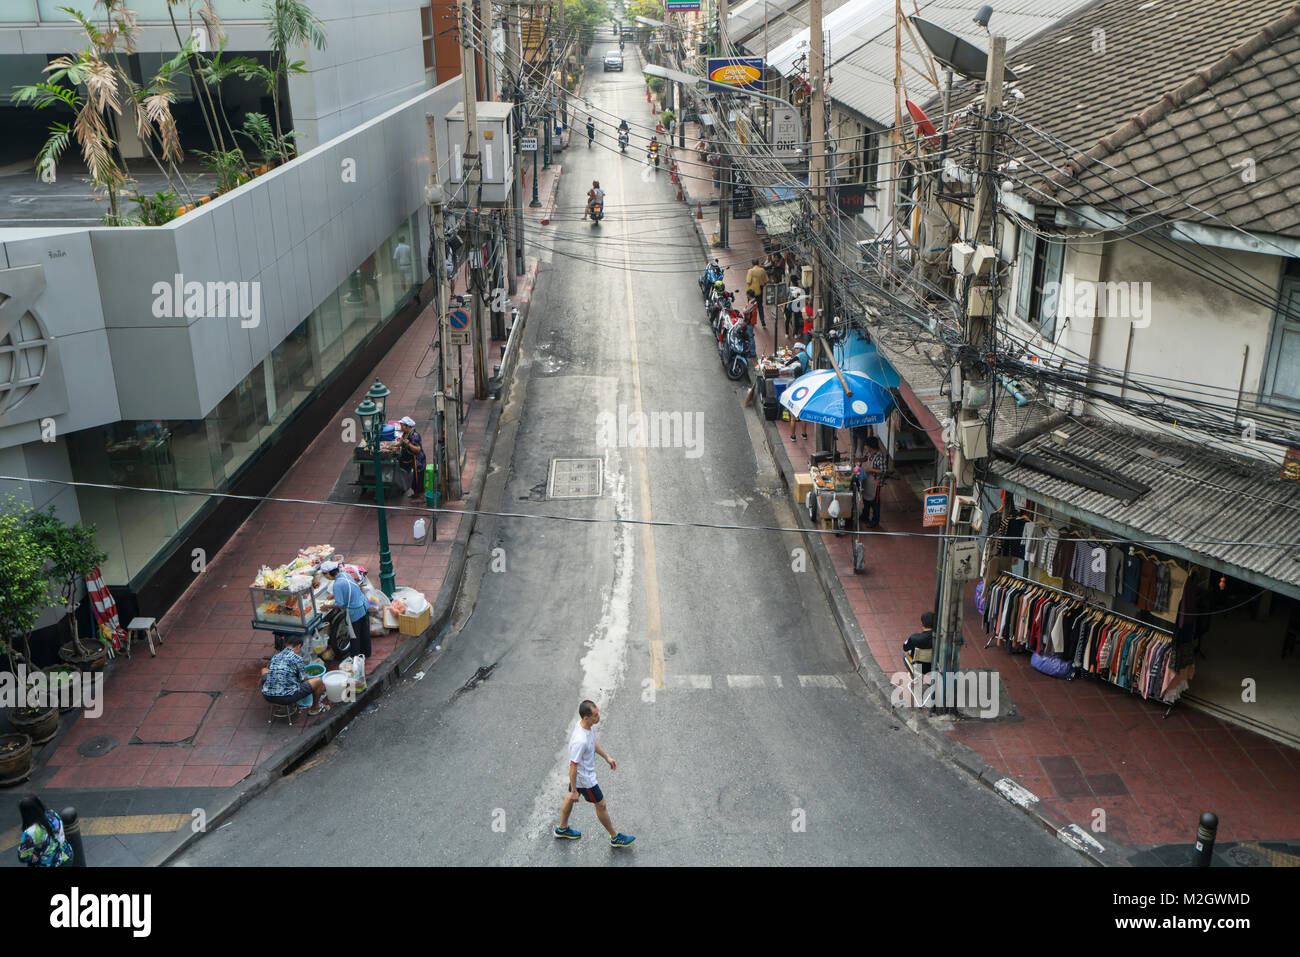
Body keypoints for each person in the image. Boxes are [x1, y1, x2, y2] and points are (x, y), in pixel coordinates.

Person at [554, 700, 635, 848]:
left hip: (580, 778)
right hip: (586, 780)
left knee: (570, 798)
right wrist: (574, 789)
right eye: (596, 715)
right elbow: (573, 766)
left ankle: (562, 829)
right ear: (586, 717)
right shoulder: (581, 740)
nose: (599, 717)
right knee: (601, 804)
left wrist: (607, 757)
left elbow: (593, 742)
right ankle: (615, 837)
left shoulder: (586, 727)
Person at [261, 634, 329, 714]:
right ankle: (315, 708)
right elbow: (303, 679)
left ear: (286, 645)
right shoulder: (297, 658)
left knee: (264, 670)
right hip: (286, 697)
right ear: (299, 646)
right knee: (318, 681)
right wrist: (319, 685)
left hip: (267, 695)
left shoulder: (275, 657)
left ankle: (273, 691)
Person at [323, 561, 370, 660]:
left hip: (354, 611)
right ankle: (366, 652)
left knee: (354, 636)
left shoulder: (337, 585)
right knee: (364, 631)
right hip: (363, 605)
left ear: (328, 574)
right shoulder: (345, 575)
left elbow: (339, 605)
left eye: (324, 574)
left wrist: (326, 607)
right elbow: (348, 589)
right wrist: (334, 595)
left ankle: (355, 659)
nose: (325, 577)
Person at [16, 797, 73, 867]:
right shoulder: (53, 815)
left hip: (48, 864)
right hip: (66, 856)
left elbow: (24, 857)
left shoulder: (30, 832)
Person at [859, 434, 886, 526]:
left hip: (876, 483)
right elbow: (865, 458)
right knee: (866, 499)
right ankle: (865, 516)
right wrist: (855, 459)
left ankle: (875, 520)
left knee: (875, 502)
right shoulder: (869, 452)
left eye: (866, 445)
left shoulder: (880, 456)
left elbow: (882, 471)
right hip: (868, 480)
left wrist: (869, 469)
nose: (865, 447)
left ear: (871, 446)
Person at [397, 415, 426, 497]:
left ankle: (419, 496)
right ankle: (415, 493)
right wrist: (392, 446)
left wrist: (408, 444)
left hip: (418, 461)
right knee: (412, 478)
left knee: (418, 479)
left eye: (402, 426)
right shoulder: (405, 434)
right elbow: (400, 443)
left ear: (407, 426)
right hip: (410, 460)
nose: (401, 427)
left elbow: (418, 449)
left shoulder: (415, 436)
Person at [788, 343, 811, 440]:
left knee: (793, 417)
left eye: (796, 348)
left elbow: (790, 362)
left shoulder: (790, 383)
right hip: (803, 390)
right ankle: (804, 434)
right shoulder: (806, 355)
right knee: (802, 416)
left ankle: (793, 436)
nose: (794, 350)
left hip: (794, 396)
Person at [746, 259, 769, 328]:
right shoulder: (762, 270)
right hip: (760, 290)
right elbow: (766, 281)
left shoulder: (750, 271)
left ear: (752, 264)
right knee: (760, 306)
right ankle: (763, 322)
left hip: (751, 292)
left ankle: (751, 321)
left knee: (751, 307)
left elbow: (748, 282)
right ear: (758, 263)